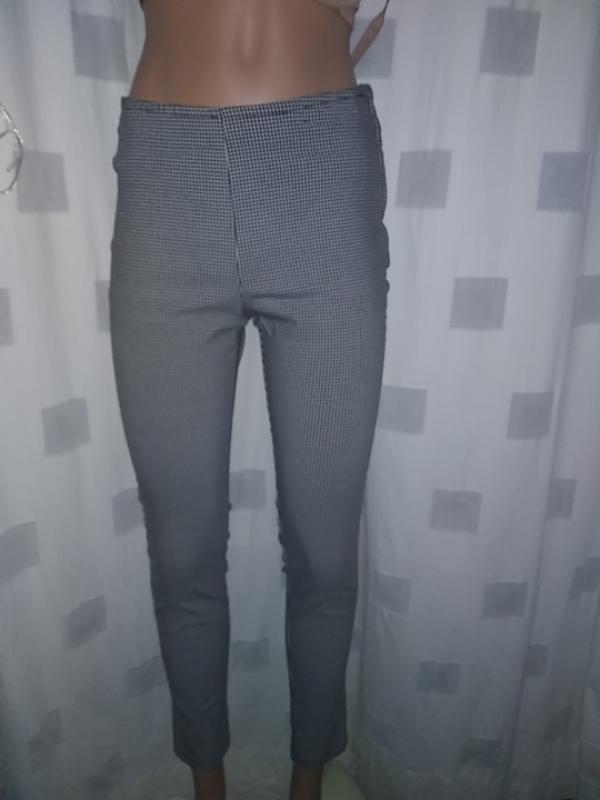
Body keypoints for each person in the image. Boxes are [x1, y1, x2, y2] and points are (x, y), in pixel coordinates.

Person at [108, 1, 390, 798]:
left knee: (325, 551)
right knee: (183, 552)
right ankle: (208, 780)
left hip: (321, 174)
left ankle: (309, 777)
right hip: (168, 181)